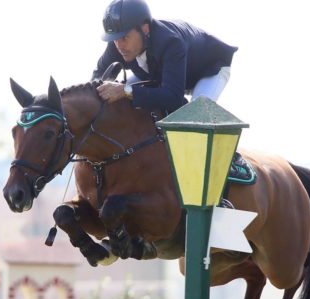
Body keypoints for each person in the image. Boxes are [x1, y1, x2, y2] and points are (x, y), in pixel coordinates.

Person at [91, 0, 254, 189]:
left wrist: (125, 91)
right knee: (121, 92)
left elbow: (173, 98)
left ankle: (232, 158)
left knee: (196, 114)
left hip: (208, 69)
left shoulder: (170, 41)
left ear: (144, 29)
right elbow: (98, 77)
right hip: (164, 73)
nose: (119, 45)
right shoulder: (117, 44)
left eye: (125, 38)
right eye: (116, 39)